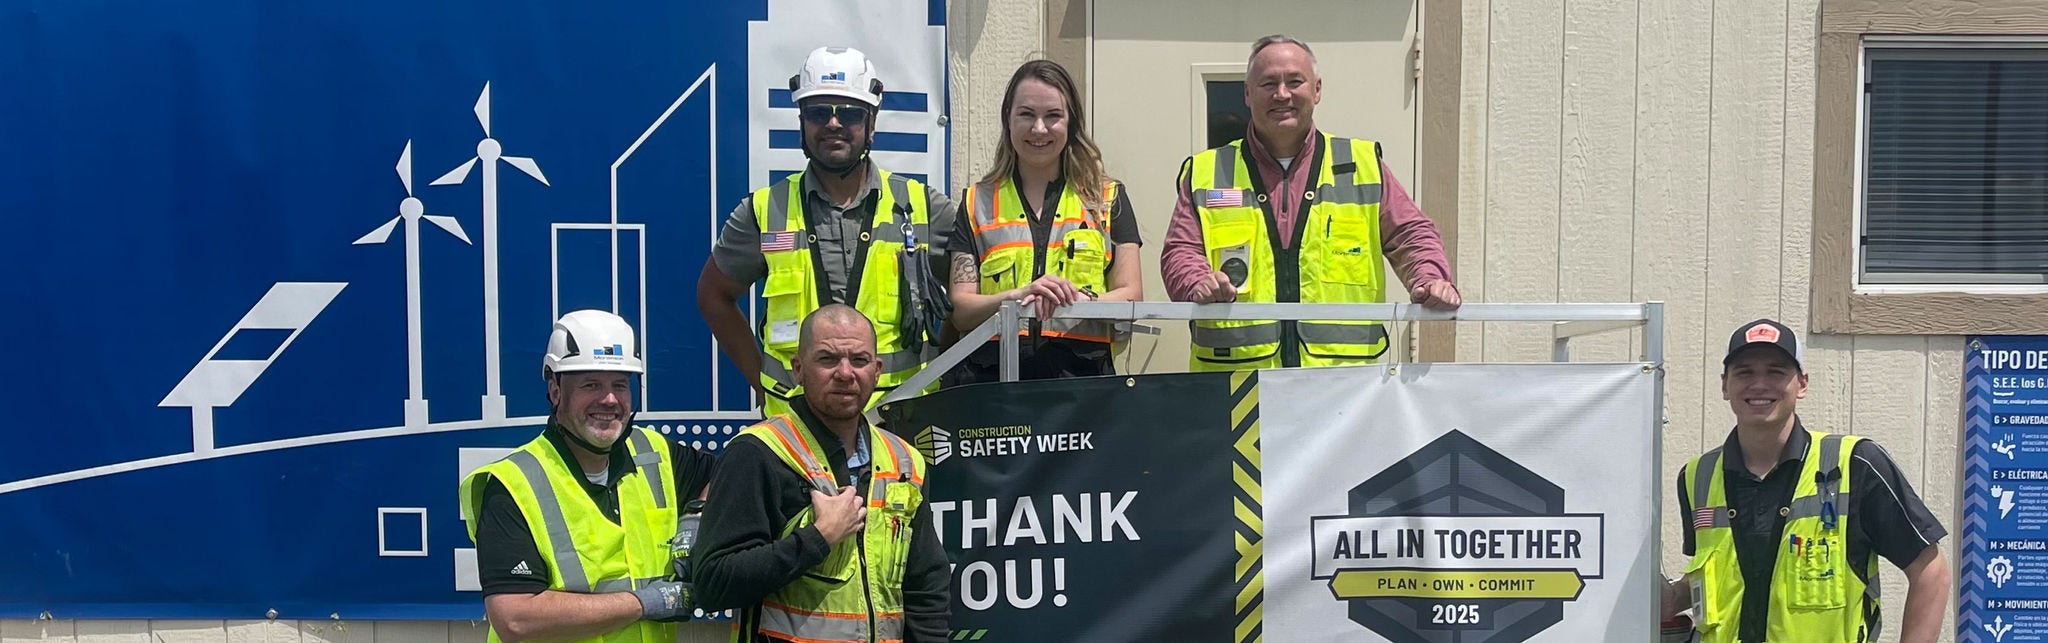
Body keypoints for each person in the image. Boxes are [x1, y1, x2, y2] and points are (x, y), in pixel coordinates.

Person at [1160, 34, 1460, 371]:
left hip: (1341, 383)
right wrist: (1196, 280)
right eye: (1268, 83)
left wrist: (1430, 278)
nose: (1282, 94)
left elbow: (1411, 234)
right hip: (1236, 382)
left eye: (1295, 81)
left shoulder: (1362, 165)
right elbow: (1180, 250)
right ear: (1247, 94)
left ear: (1317, 90)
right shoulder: (1207, 172)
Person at [697, 46, 954, 418]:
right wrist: (762, 381)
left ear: (871, 123)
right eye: (819, 113)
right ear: (802, 122)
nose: (833, 124)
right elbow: (713, 295)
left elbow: (967, 300)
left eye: (849, 113)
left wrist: (942, 367)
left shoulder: (924, 208)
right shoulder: (764, 211)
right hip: (795, 423)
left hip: (897, 423)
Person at [1662, 319, 1949, 643]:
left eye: (1776, 372)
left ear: (1802, 384)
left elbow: (1931, 572)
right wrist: (1672, 598)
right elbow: (1717, 577)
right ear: (1725, 386)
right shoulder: (1696, 477)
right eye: (1744, 372)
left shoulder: (1855, 464)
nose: (1759, 384)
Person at [693, 304, 949, 642]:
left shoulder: (905, 461)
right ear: (798, 369)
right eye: (828, 359)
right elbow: (713, 584)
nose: (845, 373)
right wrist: (818, 538)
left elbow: (926, 588)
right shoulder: (758, 453)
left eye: (859, 360)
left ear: (877, 371)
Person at [460, 310, 720, 642]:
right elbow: (515, 618)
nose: (609, 399)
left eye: (620, 385)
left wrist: (697, 517)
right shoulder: (513, 484)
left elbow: (730, 473)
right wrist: (643, 603)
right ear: (555, 390)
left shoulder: (655, 453)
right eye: (591, 384)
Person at [944, 59, 1143, 384]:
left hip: (1082, 387)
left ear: (1071, 122)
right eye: (1026, 114)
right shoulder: (975, 202)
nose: (1039, 129)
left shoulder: (1108, 198)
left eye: (1053, 116)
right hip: (995, 387)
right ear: (1007, 119)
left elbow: (1132, 294)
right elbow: (962, 310)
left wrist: (1081, 300)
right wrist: (1015, 297)